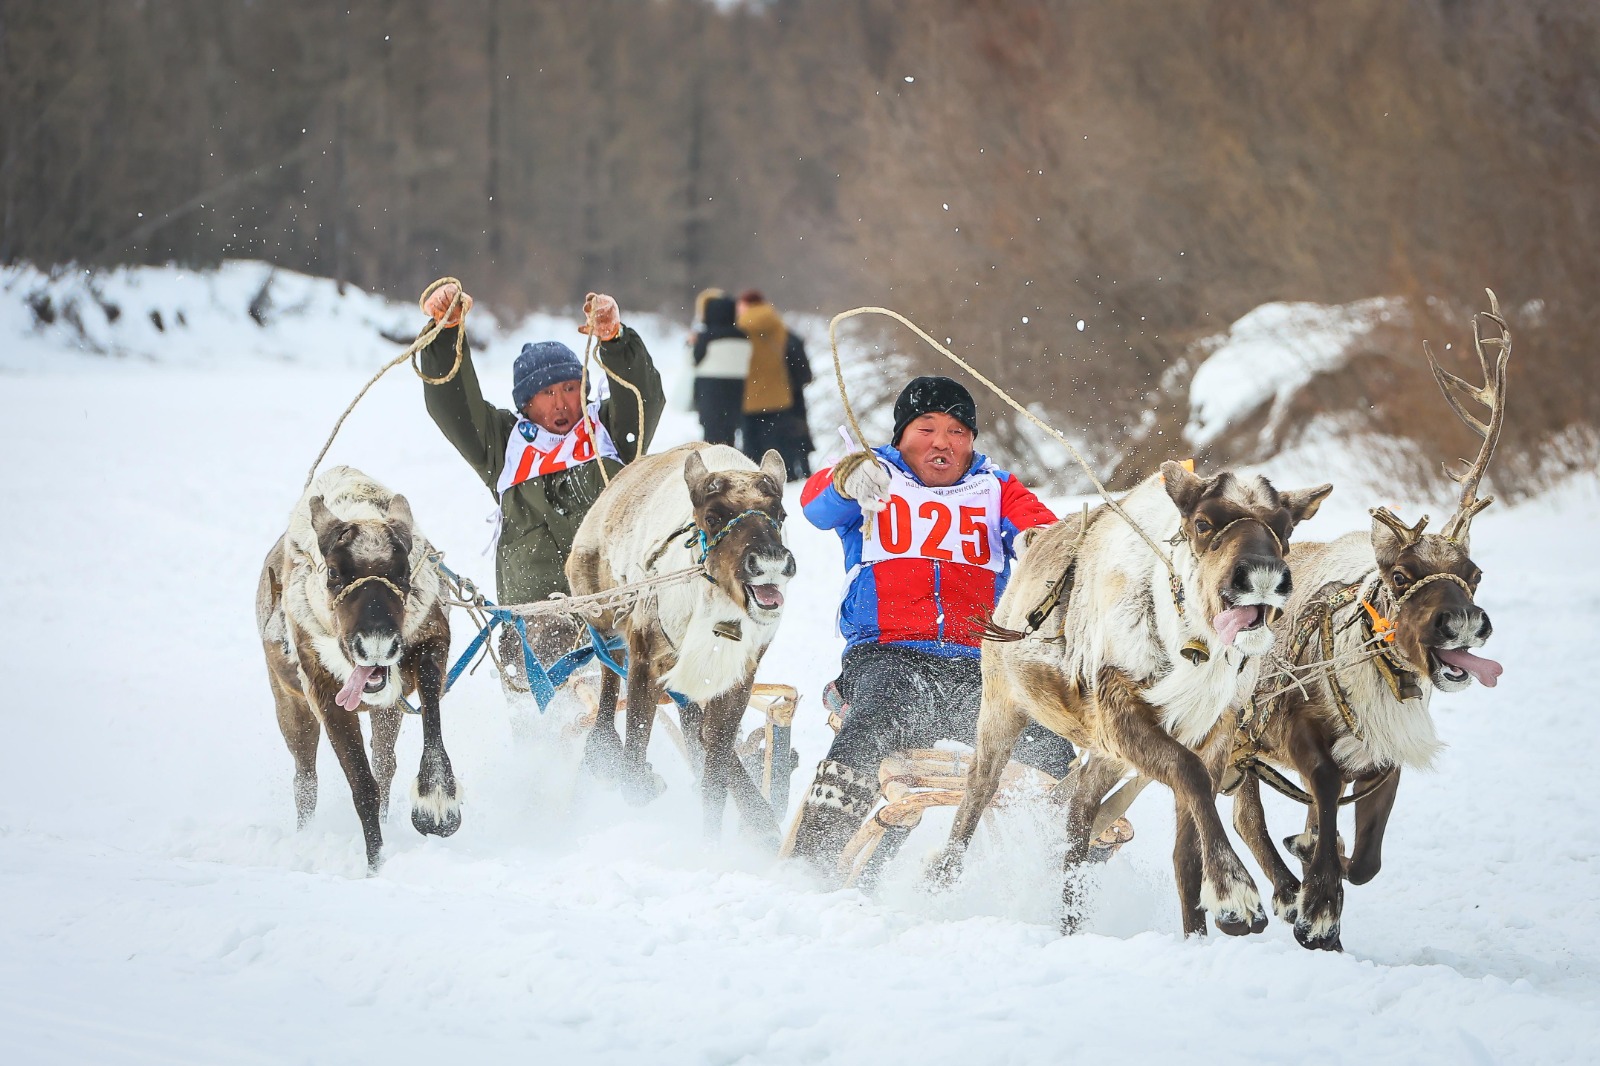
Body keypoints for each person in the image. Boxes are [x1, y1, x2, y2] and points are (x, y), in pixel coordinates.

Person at [789, 375, 1078, 883]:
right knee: (874, 718)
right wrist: (845, 481)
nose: (942, 442)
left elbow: (1042, 531)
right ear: (902, 435)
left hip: (980, 670)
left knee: (1050, 742)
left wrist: (1040, 542)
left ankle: (1074, 870)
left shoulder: (995, 488)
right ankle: (813, 858)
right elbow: (815, 505)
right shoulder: (873, 475)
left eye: (957, 430)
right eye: (926, 428)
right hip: (888, 658)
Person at [416, 282, 665, 685]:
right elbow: (452, 406)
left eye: (569, 388)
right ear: (525, 404)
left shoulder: (610, 430)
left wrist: (614, 341)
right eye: (547, 393)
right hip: (535, 618)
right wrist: (445, 334)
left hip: (613, 605)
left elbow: (644, 397)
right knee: (545, 712)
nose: (562, 403)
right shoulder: (501, 446)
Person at [735, 290, 813, 480]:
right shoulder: (777, 324)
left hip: (750, 397)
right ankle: (786, 475)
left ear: (746, 304)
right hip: (779, 396)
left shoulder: (741, 327)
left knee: (752, 447)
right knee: (779, 443)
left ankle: (757, 477)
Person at [691, 293, 750, 446]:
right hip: (735, 393)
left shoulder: (707, 337)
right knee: (729, 437)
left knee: (711, 440)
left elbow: (694, 360)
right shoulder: (743, 337)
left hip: (710, 394)